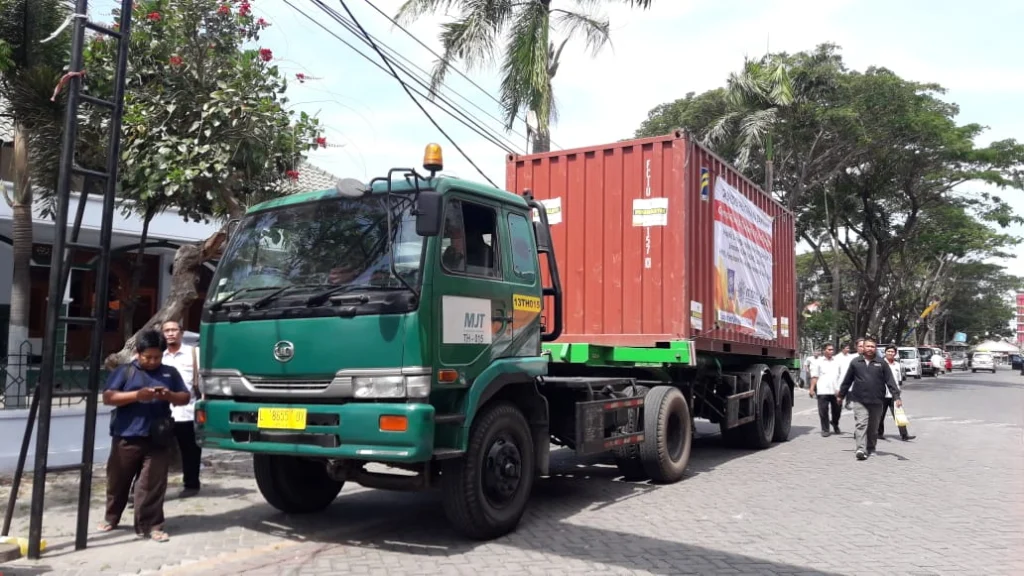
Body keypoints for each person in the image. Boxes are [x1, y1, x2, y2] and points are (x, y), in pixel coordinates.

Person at [98, 329, 191, 542]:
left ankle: (151, 524)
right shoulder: (125, 372)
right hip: (127, 436)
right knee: (118, 481)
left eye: (157, 357)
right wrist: (136, 395)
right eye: (147, 357)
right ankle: (112, 517)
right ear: (138, 353)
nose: (152, 361)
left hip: (158, 437)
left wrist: (169, 395)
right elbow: (108, 397)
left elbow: (185, 397)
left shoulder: (170, 373)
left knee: (152, 484)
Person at [836, 337, 902, 461]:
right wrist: (841, 395)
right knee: (861, 424)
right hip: (859, 399)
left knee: (873, 427)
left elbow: (890, 381)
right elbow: (847, 380)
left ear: (875, 348)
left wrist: (896, 396)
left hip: (877, 400)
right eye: (868, 346)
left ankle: (871, 448)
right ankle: (861, 449)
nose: (870, 349)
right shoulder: (855, 362)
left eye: (872, 346)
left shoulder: (881, 363)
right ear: (863, 347)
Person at [161, 319, 203, 497]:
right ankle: (147, 488)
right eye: (167, 331)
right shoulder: (159, 356)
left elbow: (204, 380)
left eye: (174, 330)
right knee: (156, 450)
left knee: (191, 450)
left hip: (188, 410)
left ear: (181, 332)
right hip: (163, 412)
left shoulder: (194, 353)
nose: (170, 333)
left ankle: (191, 484)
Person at [879, 345, 916, 442]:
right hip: (882, 393)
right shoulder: (880, 364)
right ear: (885, 352)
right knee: (880, 415)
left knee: (899, 414)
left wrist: (898, 391)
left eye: (892, 352)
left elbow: (899, 379)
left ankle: (904, 434)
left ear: (895, 353)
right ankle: (879, 433)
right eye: (888, 351)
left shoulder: (897, 365)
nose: (890, 353)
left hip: (894, 394)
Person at [809, 343, 842, 436]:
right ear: (824, 351)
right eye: (829, 349)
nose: (831, 351)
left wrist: (841, 389)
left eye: (832, 350)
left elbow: (841, 376)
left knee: (837, 410)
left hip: (836, 390)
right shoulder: (818, 362)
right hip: (822, 390)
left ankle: (835, 423)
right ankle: (825, 429)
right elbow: (814, 376)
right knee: (823, 411)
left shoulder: (837, 362)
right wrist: (811, 389)